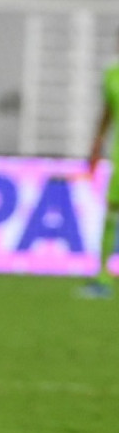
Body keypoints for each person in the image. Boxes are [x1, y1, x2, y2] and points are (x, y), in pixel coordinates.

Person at [79, 56, 119, 299]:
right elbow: (107, 111)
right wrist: (96, 143)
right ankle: (104, 277)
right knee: (112, 214)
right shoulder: (111, 74)